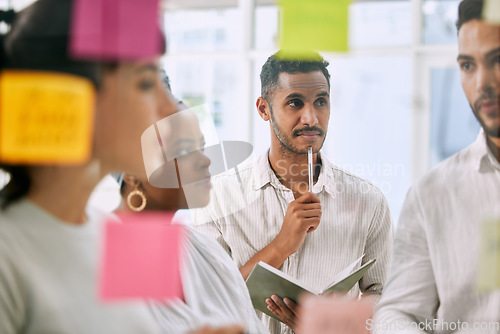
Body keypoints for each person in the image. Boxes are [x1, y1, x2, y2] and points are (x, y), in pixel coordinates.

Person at [0, 2, 243, 334]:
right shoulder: (8, 256)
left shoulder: (108, 239)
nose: (168, 107)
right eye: (145, 83)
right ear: (80, 97)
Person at [193, 51, 394, 334]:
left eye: (321, 102)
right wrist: (281, 246)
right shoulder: (219, 199)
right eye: (295, 103)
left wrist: (335, 325)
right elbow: (205, 301)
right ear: (264, 109)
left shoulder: (369, 202)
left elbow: (386, 296)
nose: (311, 117)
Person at [373, 0, 500, 332]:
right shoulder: (433, 193)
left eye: (498, 60)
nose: (483, 83)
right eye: (468, 65)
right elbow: (396, 313)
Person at [116, 75, 269, 334]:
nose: (205, 161)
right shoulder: (106, 255)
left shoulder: (208, 252)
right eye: (185, 150)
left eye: (201, 145)